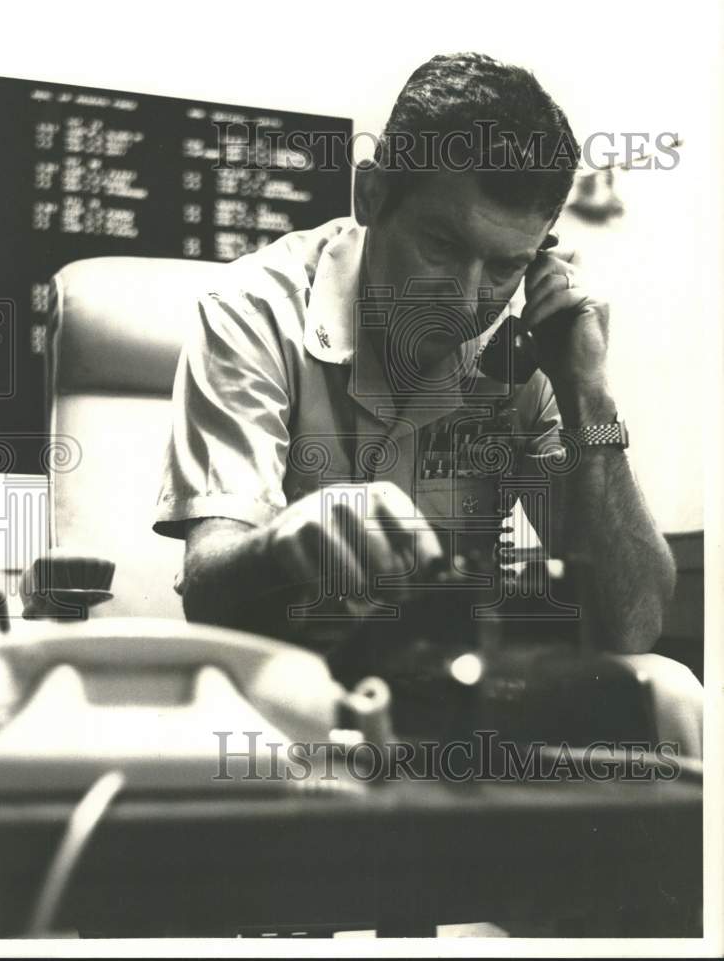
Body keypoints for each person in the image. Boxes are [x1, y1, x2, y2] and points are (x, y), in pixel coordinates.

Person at [153, 52, 675, 660]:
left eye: (506, 266)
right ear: (372, 196)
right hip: (291, 683)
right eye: (442, 245)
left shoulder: (530, 343)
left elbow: (630, 628)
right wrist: (284, 547)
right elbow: (207, 594)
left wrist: (588, 396)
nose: (466, 297)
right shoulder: (251, 309)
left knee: (671, 692)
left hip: (453, 680)